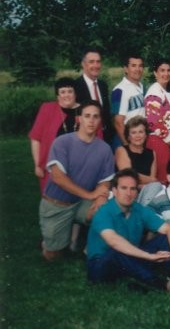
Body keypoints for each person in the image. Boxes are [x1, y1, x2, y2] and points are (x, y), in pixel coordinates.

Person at [87, 169, 170, 293]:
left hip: (131, 257)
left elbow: (168, 229)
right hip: (101, 265)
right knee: (117, 252)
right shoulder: (103, 212)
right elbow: (114, 242)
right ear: (114, 191)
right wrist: (149, 256)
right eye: (124, 188)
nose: (128, 193)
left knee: (163, 239)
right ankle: (164, 285)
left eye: (133, 189)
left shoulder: (138, 209)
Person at [39, 100, 115, 261]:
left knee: (105, 211)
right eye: (87, 116)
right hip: (57, 204)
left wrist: (101, 197)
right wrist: (90, 195)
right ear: (78, 119)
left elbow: (105, 181)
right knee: (53, 256)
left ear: (100, 120)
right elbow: (58, 178)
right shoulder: (62, 142)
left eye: (95, 116)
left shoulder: (105, 149)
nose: (91, 120)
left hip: (81, 204)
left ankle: (92, 250)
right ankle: (50, 243)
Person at [29, 77, 81, 192]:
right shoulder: (47, 109)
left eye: (70, 91)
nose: (67, 95)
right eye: (62, 92)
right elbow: (35, 138)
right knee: (52, 198)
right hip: (52, 165)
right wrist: (38, 164)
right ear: (57, 95)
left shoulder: (85, 111)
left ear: (75, 93)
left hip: (79, 166)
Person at [144, 59, 170, 182]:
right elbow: (153, 122)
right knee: (162, 177)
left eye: (169, 70)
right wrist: (169, 139)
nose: (166, 74)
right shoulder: (154, 93)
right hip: (159, 140)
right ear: (155, 73)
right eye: (162, 70)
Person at [73, 48, 112, 143]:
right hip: (84, 139)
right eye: (91, 62)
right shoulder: (75, 87)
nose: (96, 65)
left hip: (105, 138)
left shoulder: (103, 85)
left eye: (98, 62)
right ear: (83, 64)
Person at [111, 55, 145, 148]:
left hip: (139, 139)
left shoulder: (142, 87)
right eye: (133, 66)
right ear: (126, 69)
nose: (137, 69)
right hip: (125, 141)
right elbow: (118, 122)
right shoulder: (119, 90)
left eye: (140, 66)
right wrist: (127, 146)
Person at [115, 116, 157, 186]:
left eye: (141, 132)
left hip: (146, 189)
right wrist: (153, 180)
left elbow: (152, 182)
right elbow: (128, 175)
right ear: (128, 136)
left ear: (146, 135)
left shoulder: (151, 153)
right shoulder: (121, 150)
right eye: (133, 132)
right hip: (125, 189)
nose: (138, 136)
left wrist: (152, 181)